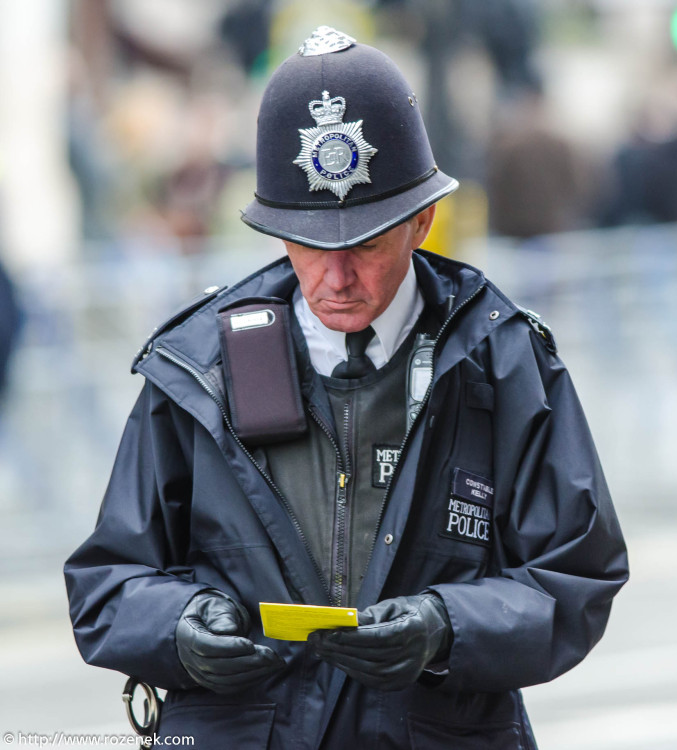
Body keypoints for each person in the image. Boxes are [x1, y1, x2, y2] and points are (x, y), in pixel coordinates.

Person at [64, 26, 628, 750]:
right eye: (308, 242)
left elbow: (576, 575)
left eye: (363, 243)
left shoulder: (502, 358)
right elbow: (108, 582)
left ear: (422, 222)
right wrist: (179, 628)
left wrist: (444, 627)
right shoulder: (199, 365)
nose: (335, 278)